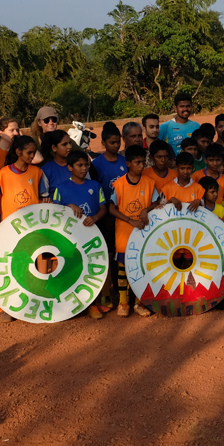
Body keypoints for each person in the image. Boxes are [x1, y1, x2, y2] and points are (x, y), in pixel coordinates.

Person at [51, 150, 107, 318]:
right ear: (69, 167)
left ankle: (93, 305)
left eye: (86, 165)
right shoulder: (60, 188)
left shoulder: (95, 186)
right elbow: (53, 212)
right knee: (71, 268)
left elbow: (103, 208)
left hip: (91, 235)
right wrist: (68, 207)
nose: (84, 169)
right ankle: (71, 305)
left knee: (92, 269)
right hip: (70, 238)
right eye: (79, 165)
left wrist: (95, 217)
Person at [109, 145, 159, 318]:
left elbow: (156, 202)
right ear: (128, 163)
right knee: (122, 268)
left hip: (143, 234)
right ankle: (123, 301)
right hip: (124, 233)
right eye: (138, 162)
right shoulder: (119, 184)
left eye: (143, 162)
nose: (141, 166)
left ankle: (139, 302)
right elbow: (111, 208)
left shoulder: (149, 183)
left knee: (140, 267)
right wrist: (130, 220)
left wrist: (147, 210)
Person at [90, 122, 126, 314]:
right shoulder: (96, 164)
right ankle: (106, 290)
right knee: (107, 252)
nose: (116, 145)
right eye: (112, 142)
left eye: (118, 142)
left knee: (119, 253)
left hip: (123, 214)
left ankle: (120, 292)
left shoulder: (124, 162)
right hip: (105, 215)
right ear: (103, 143)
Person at [0, 135, 50, 220]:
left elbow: (42, 198)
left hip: (32, 221)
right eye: (29, 152)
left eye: (34, 153)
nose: (32, 156)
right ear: (18, 152)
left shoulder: (37, 172)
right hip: (10, 221)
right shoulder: (4, 173)